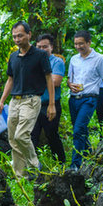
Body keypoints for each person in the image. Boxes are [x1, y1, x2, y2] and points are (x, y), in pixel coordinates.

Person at [0, 21, 55, 178]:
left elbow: (49, 79)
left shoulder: (40, 55)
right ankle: (21, 176)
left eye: (20, 36)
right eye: (14, 36)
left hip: (31, 100)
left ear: (29, 35)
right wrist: (2, 101)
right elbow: (10, 80)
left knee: (21, 135)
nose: (17, 39)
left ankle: (35, 165)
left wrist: (51, 104)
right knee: (12, 138)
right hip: (14, 101)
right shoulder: (13, 57)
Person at [67, 30, 103, 170]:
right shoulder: (74, 59)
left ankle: (75, 164)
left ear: (89, 42)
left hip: (89, 99)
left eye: (81, 44)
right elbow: (69, 78)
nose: (78, 46)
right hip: (74, 99)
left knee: (79, 129)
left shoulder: (99, 59)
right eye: (76, 44)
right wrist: (70, 84)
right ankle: (89, 154)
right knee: (79, 129)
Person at [31, 34, 66, 163]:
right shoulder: (32, 60)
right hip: (34, 104)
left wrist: (35, 78)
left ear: (51, 47)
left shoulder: (57, 61)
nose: (42, 49)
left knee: (51, 135)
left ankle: (61, 163)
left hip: (50, 104)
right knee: (32, 135)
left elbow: (56, 81)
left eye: (45, 46)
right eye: (39, 46)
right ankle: (31, 165)